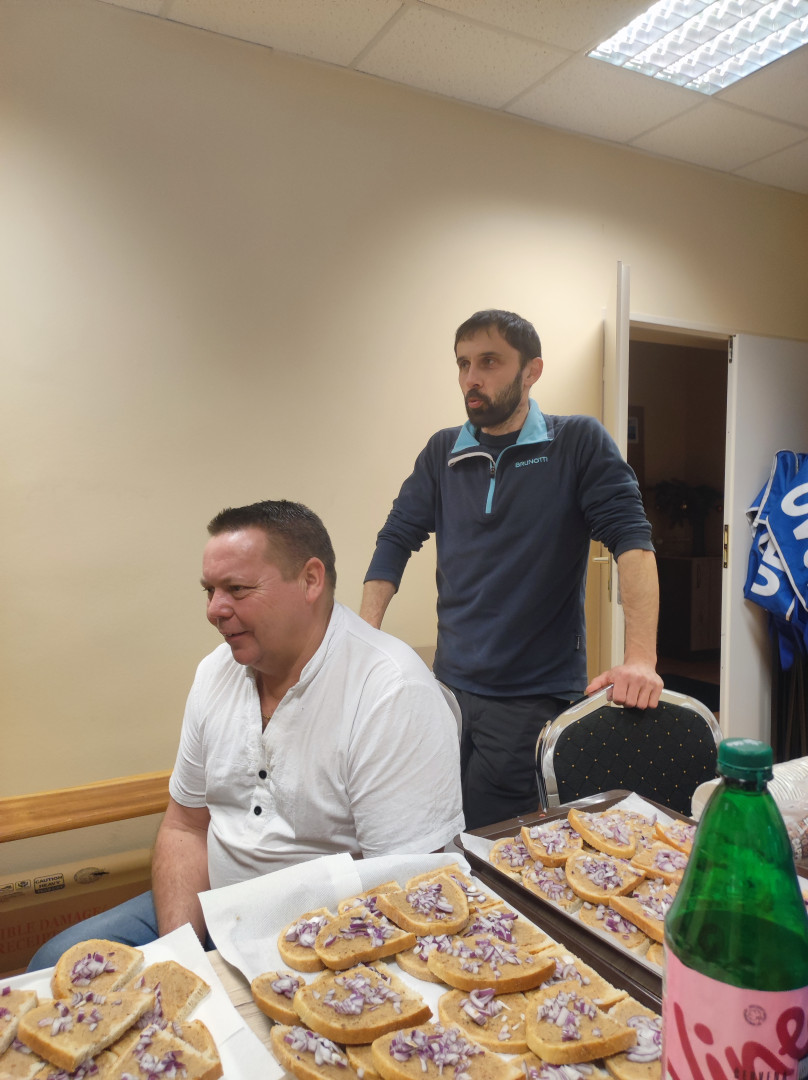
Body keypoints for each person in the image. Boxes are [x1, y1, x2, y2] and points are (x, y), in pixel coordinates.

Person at [29, 499, 464, 971]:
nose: (214, 610)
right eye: (209, 590)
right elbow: (185, 826)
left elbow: (405, 892)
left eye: (236, 589)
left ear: (310, 580)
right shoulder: (214, 673)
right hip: (213, 907)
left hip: (324, 935)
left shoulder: (389, 690)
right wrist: (183, 955)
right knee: (53, 963)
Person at [361, 309, 662, 831]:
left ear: (531, 371)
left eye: (489, 362)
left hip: (531, 697)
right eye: (463, 364)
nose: (471, 378)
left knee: (493, 839)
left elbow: (632, 543)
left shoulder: (577, 443)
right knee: (432, 824)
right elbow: (395, 539)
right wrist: (364, 642)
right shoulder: (442, 452)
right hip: (446, 689)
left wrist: (641, 658)